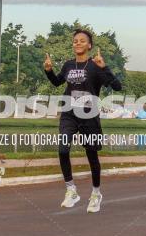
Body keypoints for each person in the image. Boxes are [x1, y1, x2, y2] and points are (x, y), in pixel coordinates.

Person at [44, 29, 122, 212]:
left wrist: (104, 68)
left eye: (82, 41)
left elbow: (117, 86)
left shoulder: (95, 66)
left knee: (91, 155)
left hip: (89, 116)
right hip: (69, 113)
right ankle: (71, 190)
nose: (77, 43)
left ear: (89, 45)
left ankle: (96, 193)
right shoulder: (68, 65)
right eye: (75, 41)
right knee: (63, 150)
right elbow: (57, 82)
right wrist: (48, 71)